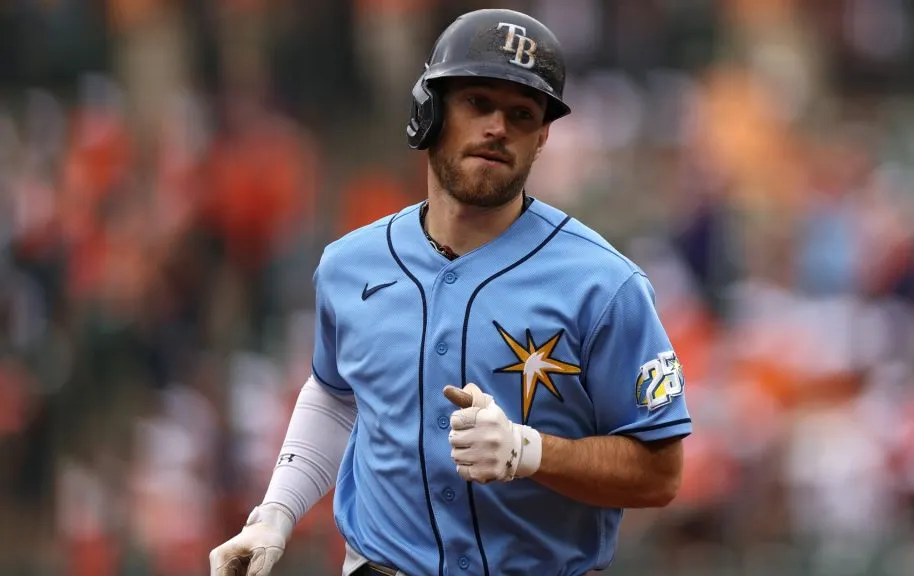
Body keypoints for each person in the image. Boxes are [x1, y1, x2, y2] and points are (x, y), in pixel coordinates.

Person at [209, 8, 691, 576]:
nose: (498, 128)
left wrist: (530, 452)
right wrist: (275, 513)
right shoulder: (348, 264)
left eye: (521, 114)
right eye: (478, 103)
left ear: (541, 139)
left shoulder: (605, 283)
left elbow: (661, 473)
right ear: (429, 110)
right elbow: (335, 395)